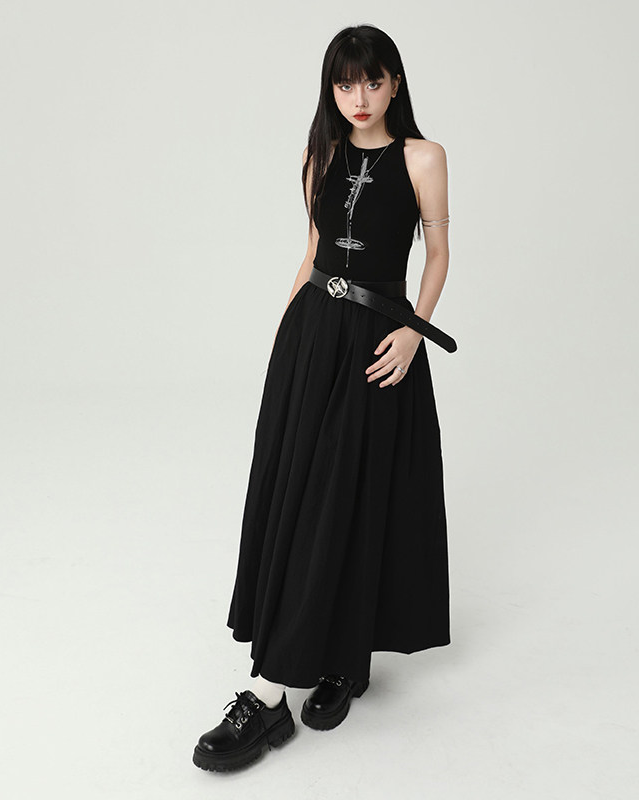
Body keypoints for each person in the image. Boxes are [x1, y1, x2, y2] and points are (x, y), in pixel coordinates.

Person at [192, 23, 456, 773]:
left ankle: (297, 683)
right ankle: (314, 667)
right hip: (313, 336)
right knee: (298, 494)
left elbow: (438, 253)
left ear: (395, 83)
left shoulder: (424, 157)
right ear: (330, 90)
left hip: (379, 342)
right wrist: (287, 345)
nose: (359, 97)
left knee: (352, 492)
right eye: (345, 83)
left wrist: (412, 334)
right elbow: (311, 254)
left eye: (372, 80)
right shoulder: (321, 156)